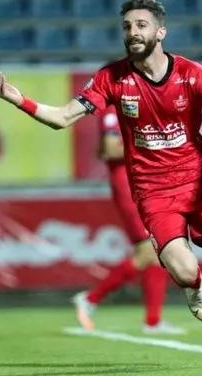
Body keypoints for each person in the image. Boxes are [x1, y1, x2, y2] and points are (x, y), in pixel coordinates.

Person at [0, 0, 202, 368]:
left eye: (141, 25)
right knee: (183, 271)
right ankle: (195, 285)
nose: (132, 32)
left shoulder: (192, 74)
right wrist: (20, 100)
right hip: (154, 191)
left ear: (161, 32)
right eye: (127, 26)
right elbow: (63, 118)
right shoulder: (112, 78)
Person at [72, 108, 184, 335]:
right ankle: (91, 298)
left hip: (145, 184)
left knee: (157, 251)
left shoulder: (135, 104)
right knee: (149, 251)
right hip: (129, 184)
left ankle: (153, 321)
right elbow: (110, 148)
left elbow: (102, 149)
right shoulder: (114, 108)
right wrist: (151, 146)